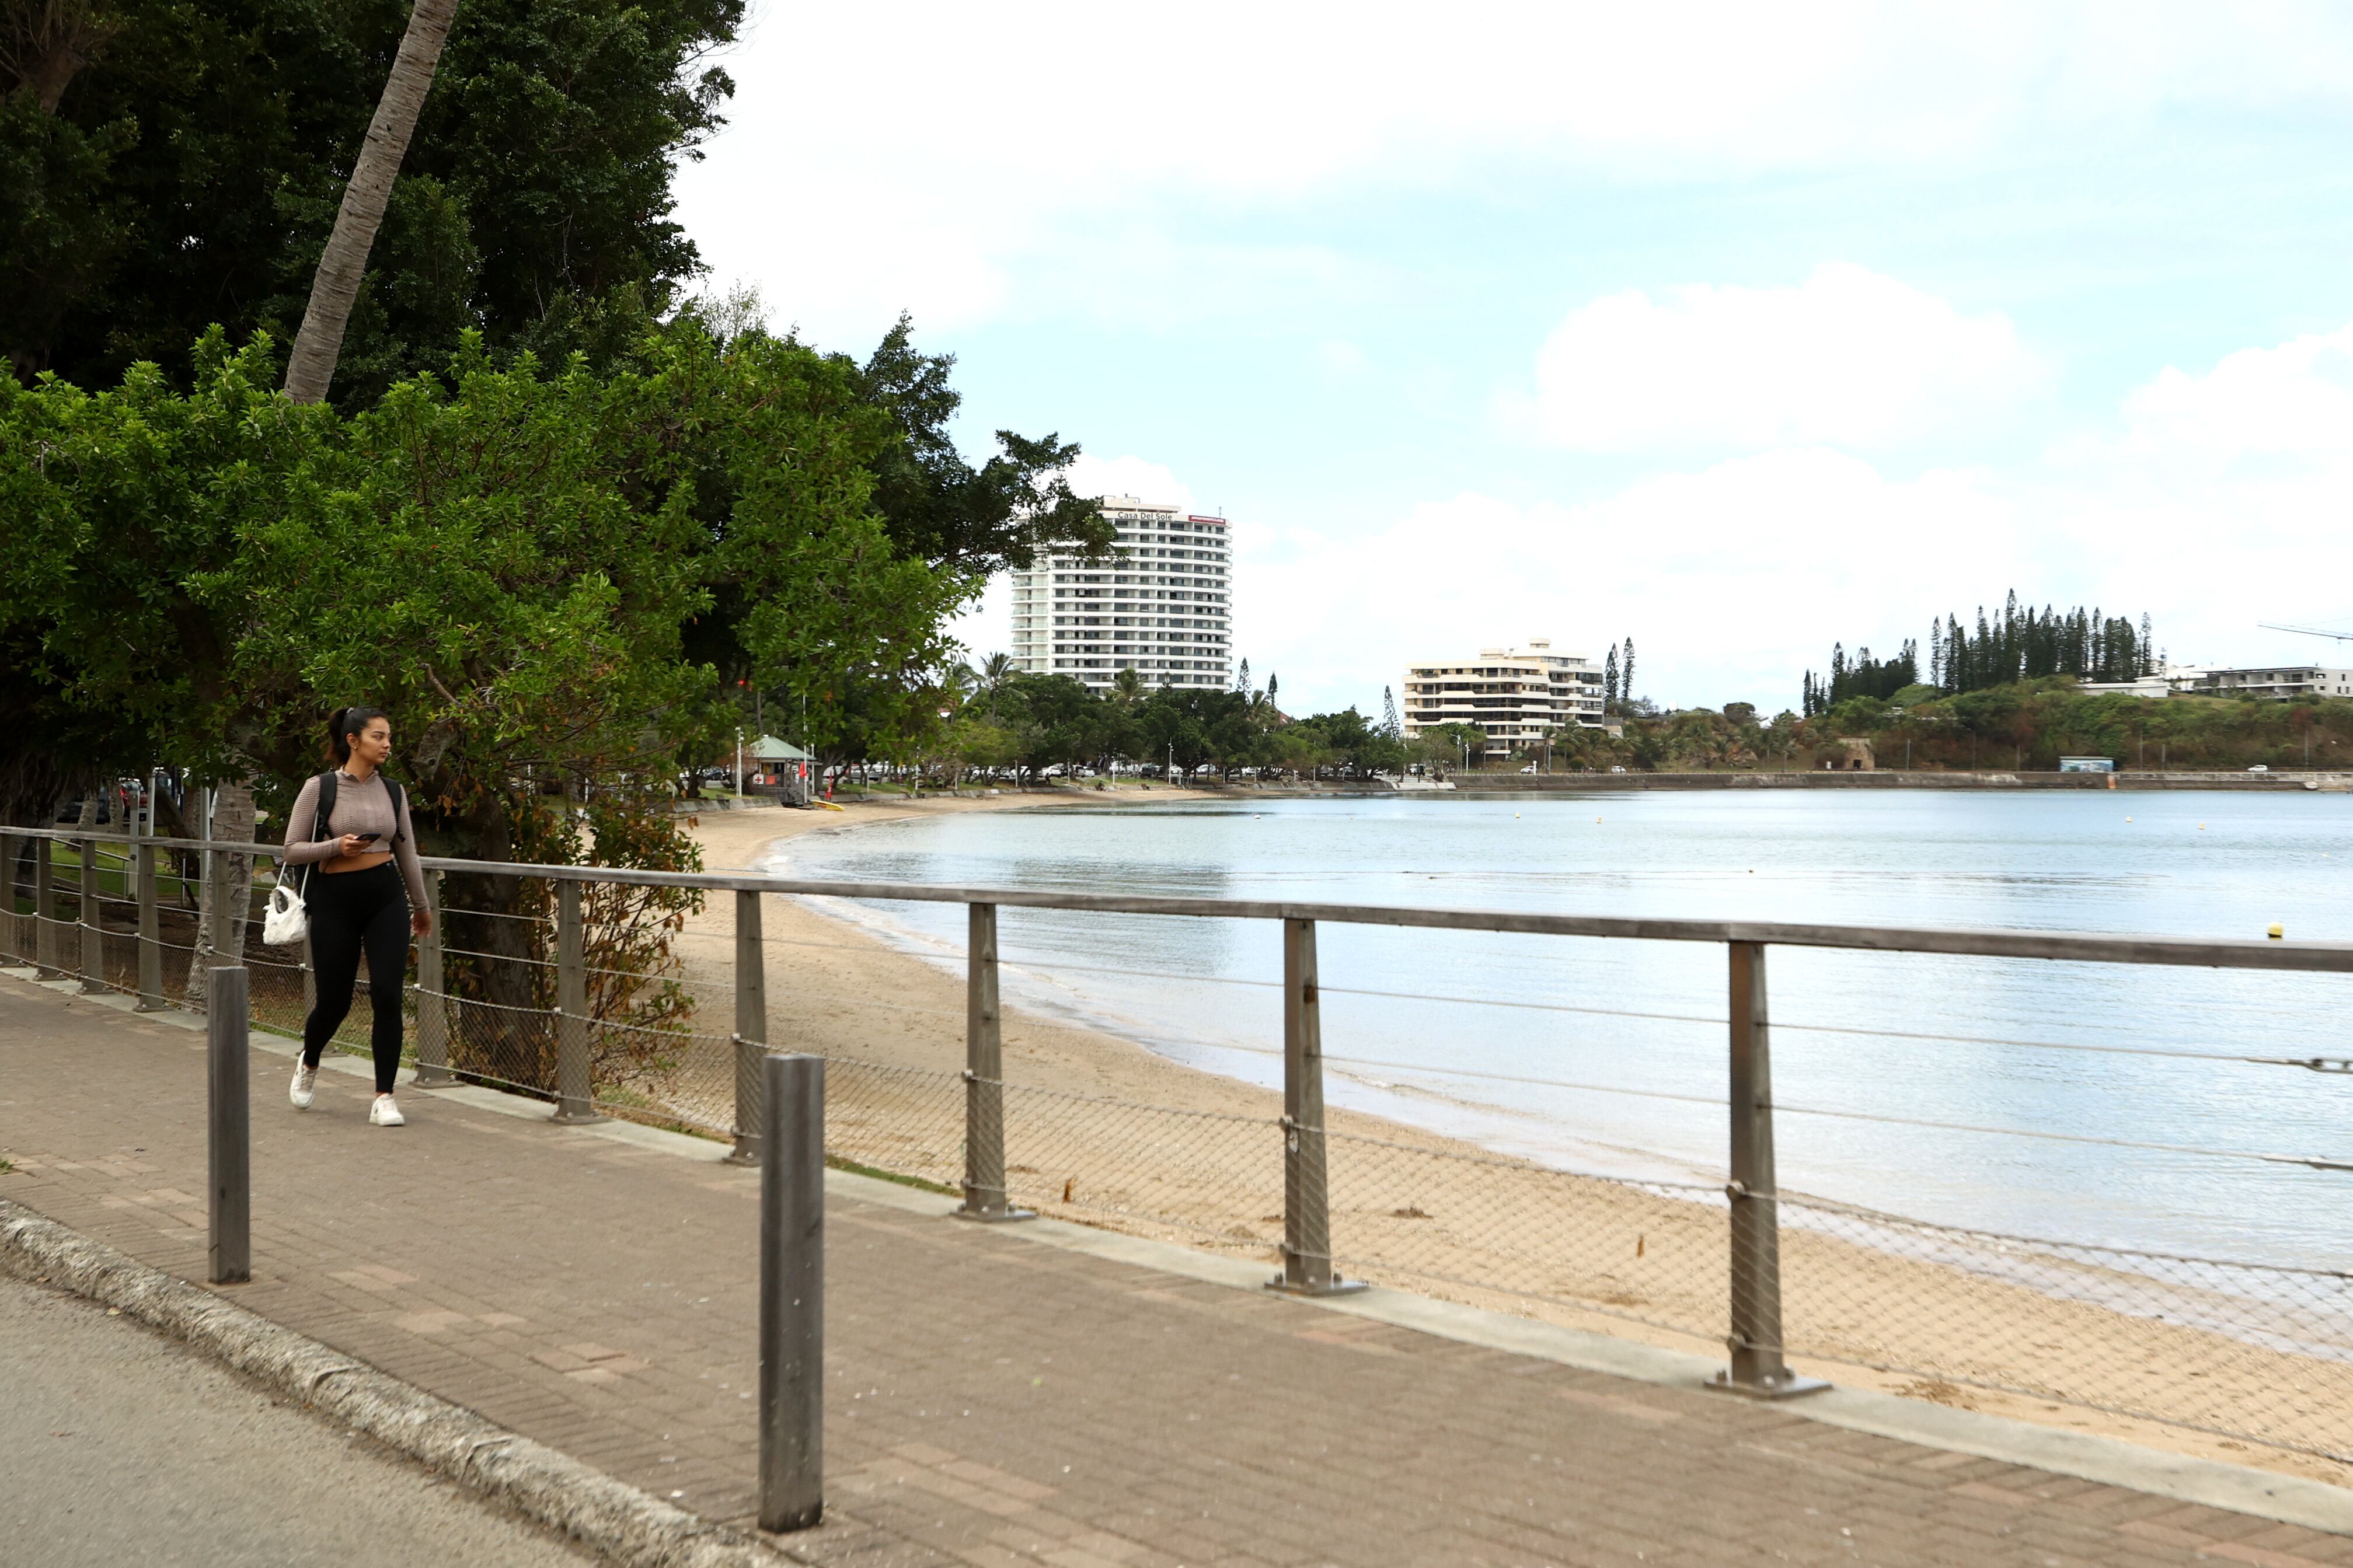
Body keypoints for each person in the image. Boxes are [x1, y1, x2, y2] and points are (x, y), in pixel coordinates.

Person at [277, 707, 432, 1125]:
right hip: (333, 900)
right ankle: (310, 1062)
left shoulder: (394, 791)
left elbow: (407, 851)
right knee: (335, 1001)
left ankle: (384, 1096)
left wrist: (420, 905)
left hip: (385, 898)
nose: (387, 744)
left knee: (387, 994)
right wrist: (335, 847)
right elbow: (291, 849)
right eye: (379, 737)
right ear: (353, 740)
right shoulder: (320, 787)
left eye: (388, 737)